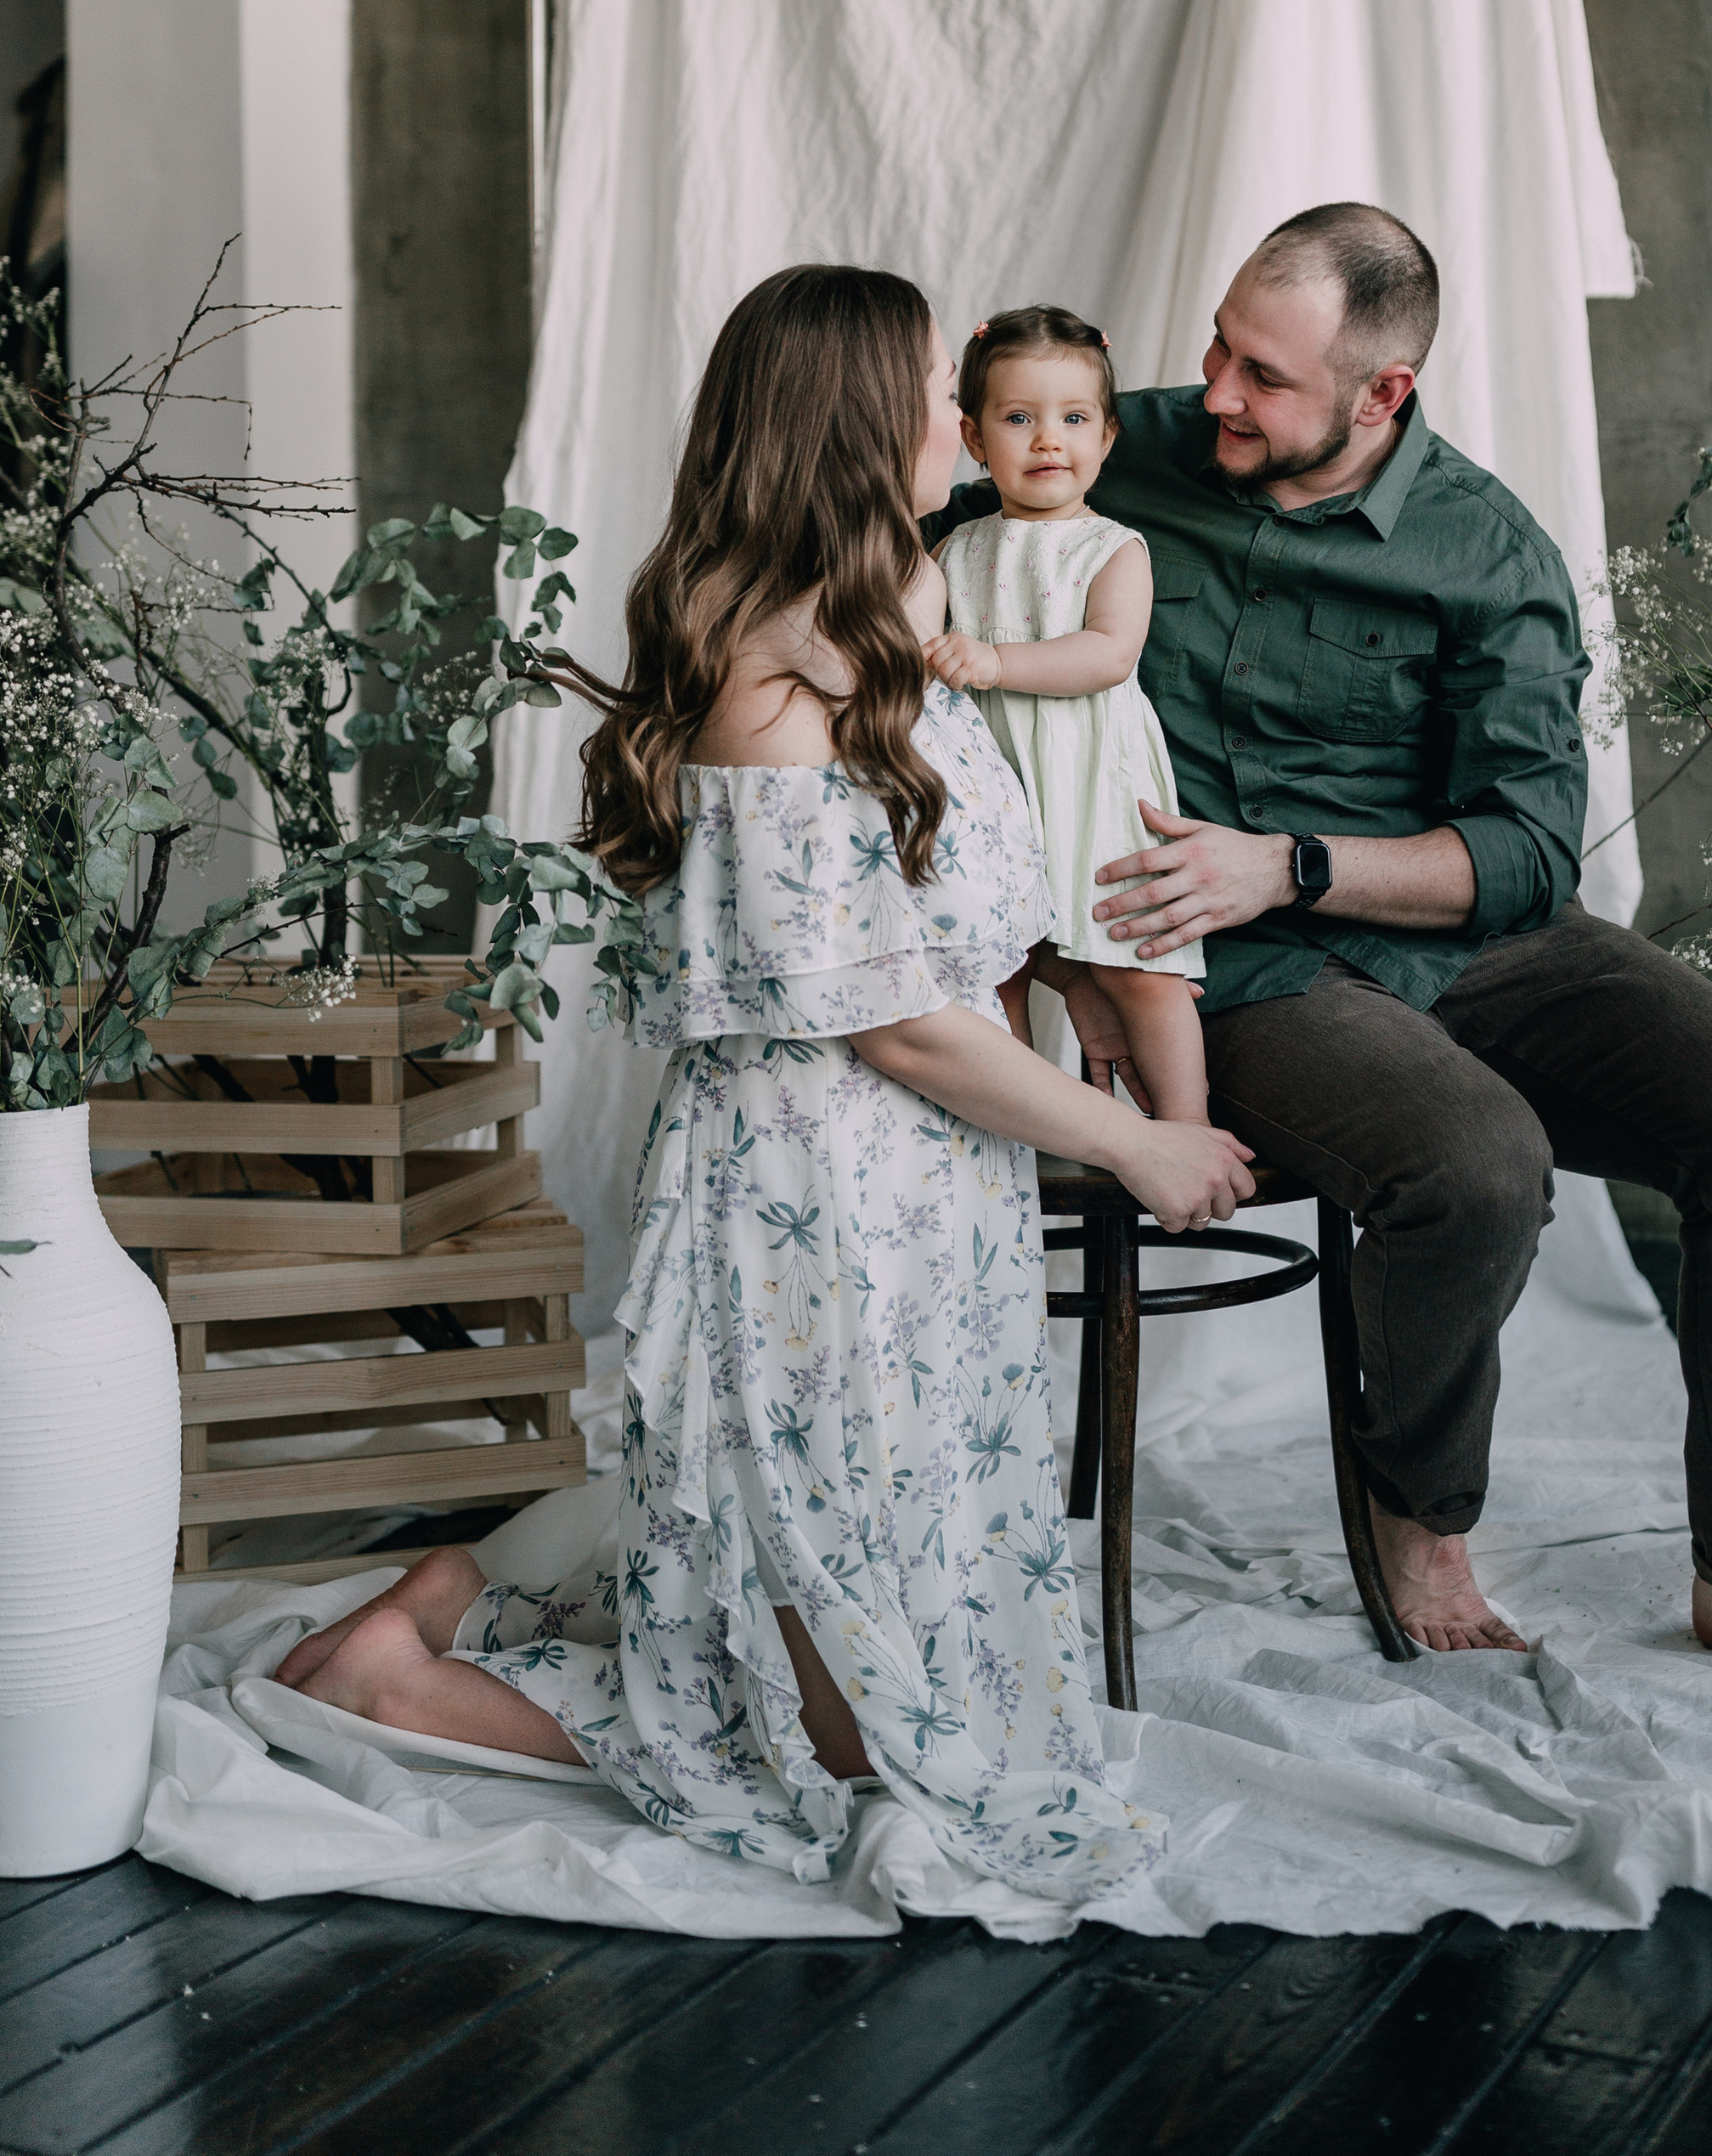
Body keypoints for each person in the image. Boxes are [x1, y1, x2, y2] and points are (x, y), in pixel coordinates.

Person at [274, 265, 1257, 1899]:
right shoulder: (772, 673)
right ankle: (416, 1672)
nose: (961, 424)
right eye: (939, 394)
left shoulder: (894, 615)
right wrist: (1139, 1145)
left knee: (918, 1636)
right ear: (854, 420)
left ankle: (459, 1586)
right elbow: (886, 1018)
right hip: (818, 1200)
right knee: (863, 1759)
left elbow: (962, 932)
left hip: (932, 1185)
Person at [929, 204, 1712, 1698]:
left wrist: (1293, 861)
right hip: (1227, 961)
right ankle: (1420, 1509)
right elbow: (882, 562)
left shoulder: (1484, 547)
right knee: (1478, 1164)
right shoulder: (1110, 450)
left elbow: (1530, 851)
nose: (1216, 389)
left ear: (1384, 396)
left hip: (1457, 932)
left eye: (1264, 376)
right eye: (1221, 344)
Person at [928, 303, 1211, 1127]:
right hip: (994, 784)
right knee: (995, 964)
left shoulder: (1113, 548)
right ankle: (1011, 1125)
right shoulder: (957, 549)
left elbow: (1108, 653)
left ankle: (1184, 1126)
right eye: (1019, 418)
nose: (1048, 439)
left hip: (1088, 778)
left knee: (1136, 965)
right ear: (975, 440)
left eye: (1073, 418)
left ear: (1107, 438)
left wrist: (994, 661)